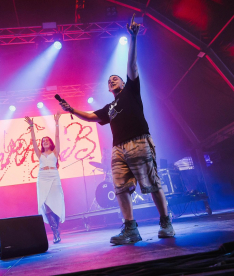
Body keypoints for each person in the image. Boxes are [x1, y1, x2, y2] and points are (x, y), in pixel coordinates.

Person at [60, 14, 175, 245]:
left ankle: (166, 222)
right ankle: (131, 229)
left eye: (115, 78)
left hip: (139, 142)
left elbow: (131, 65)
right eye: (109, 80)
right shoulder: (109, 106)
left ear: (123, 82)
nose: (112, 80)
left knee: (152, 184)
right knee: (121, 189)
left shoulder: (132, 90)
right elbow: (92, 116)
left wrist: (133, 38)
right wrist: (71, 109)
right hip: (118, 150)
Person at [24, 112, 65, 243]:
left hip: (54, 177)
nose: (44, 141)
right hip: (42, 178)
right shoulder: (39, 153)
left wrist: (57, 123)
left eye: (46, 140)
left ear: (50, 142)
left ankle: (56, 230)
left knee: (56, 205)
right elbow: (33, 141)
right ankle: (55, 233)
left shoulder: (55, 152)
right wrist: (31, 126)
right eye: (43, 141)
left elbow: (58, 136)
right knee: (46, 205)